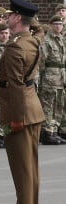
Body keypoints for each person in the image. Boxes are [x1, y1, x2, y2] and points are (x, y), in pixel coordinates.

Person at [0, 0, 45, 204]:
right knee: (30, 168)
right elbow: (37, 27)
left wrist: (16, 118)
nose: (7, 18)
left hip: (20, 112)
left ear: (17, 18)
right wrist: (28, 17)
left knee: (22, 171)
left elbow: (15, 85)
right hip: (33, 108)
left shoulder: (15, 47)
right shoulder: (33, 40)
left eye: (11, 15)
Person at [38, 15, 66, 145]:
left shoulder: (62, 40)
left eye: (60, 24)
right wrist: (43, 77)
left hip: (61, 76)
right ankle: (47, 132)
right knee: (48, 105)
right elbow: (42, 61)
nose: (59, 26)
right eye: (56, 24)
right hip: (50, 77)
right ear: (51, 25)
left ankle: (54, 130)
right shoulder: (47, 41)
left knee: (58, 105)